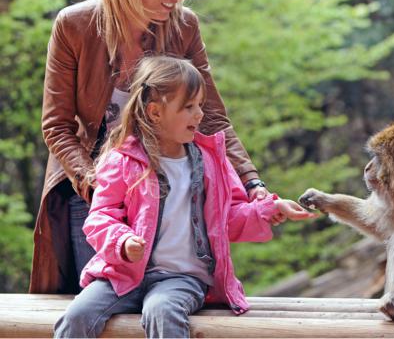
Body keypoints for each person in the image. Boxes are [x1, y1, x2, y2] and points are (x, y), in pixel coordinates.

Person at [32, 0, 276, 294]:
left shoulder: (184, 26)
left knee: (165, 300)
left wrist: (252, 183)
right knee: (102, 302)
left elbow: (211, 118)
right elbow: (57, 126)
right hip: (93, 193)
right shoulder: (74, 25)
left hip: (169, 188)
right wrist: (96, 183)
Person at [53, 55, 315, 338]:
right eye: (189, 107)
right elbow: (100, 217)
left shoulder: (211, 162)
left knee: (162, 311)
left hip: (182, 278)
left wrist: (268, 209)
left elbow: (228, 218)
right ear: (155, 112)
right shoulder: (123, 161)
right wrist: (123, 240)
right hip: (123, 275)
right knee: (77, 315)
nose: (199, 114)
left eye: (200, 105)